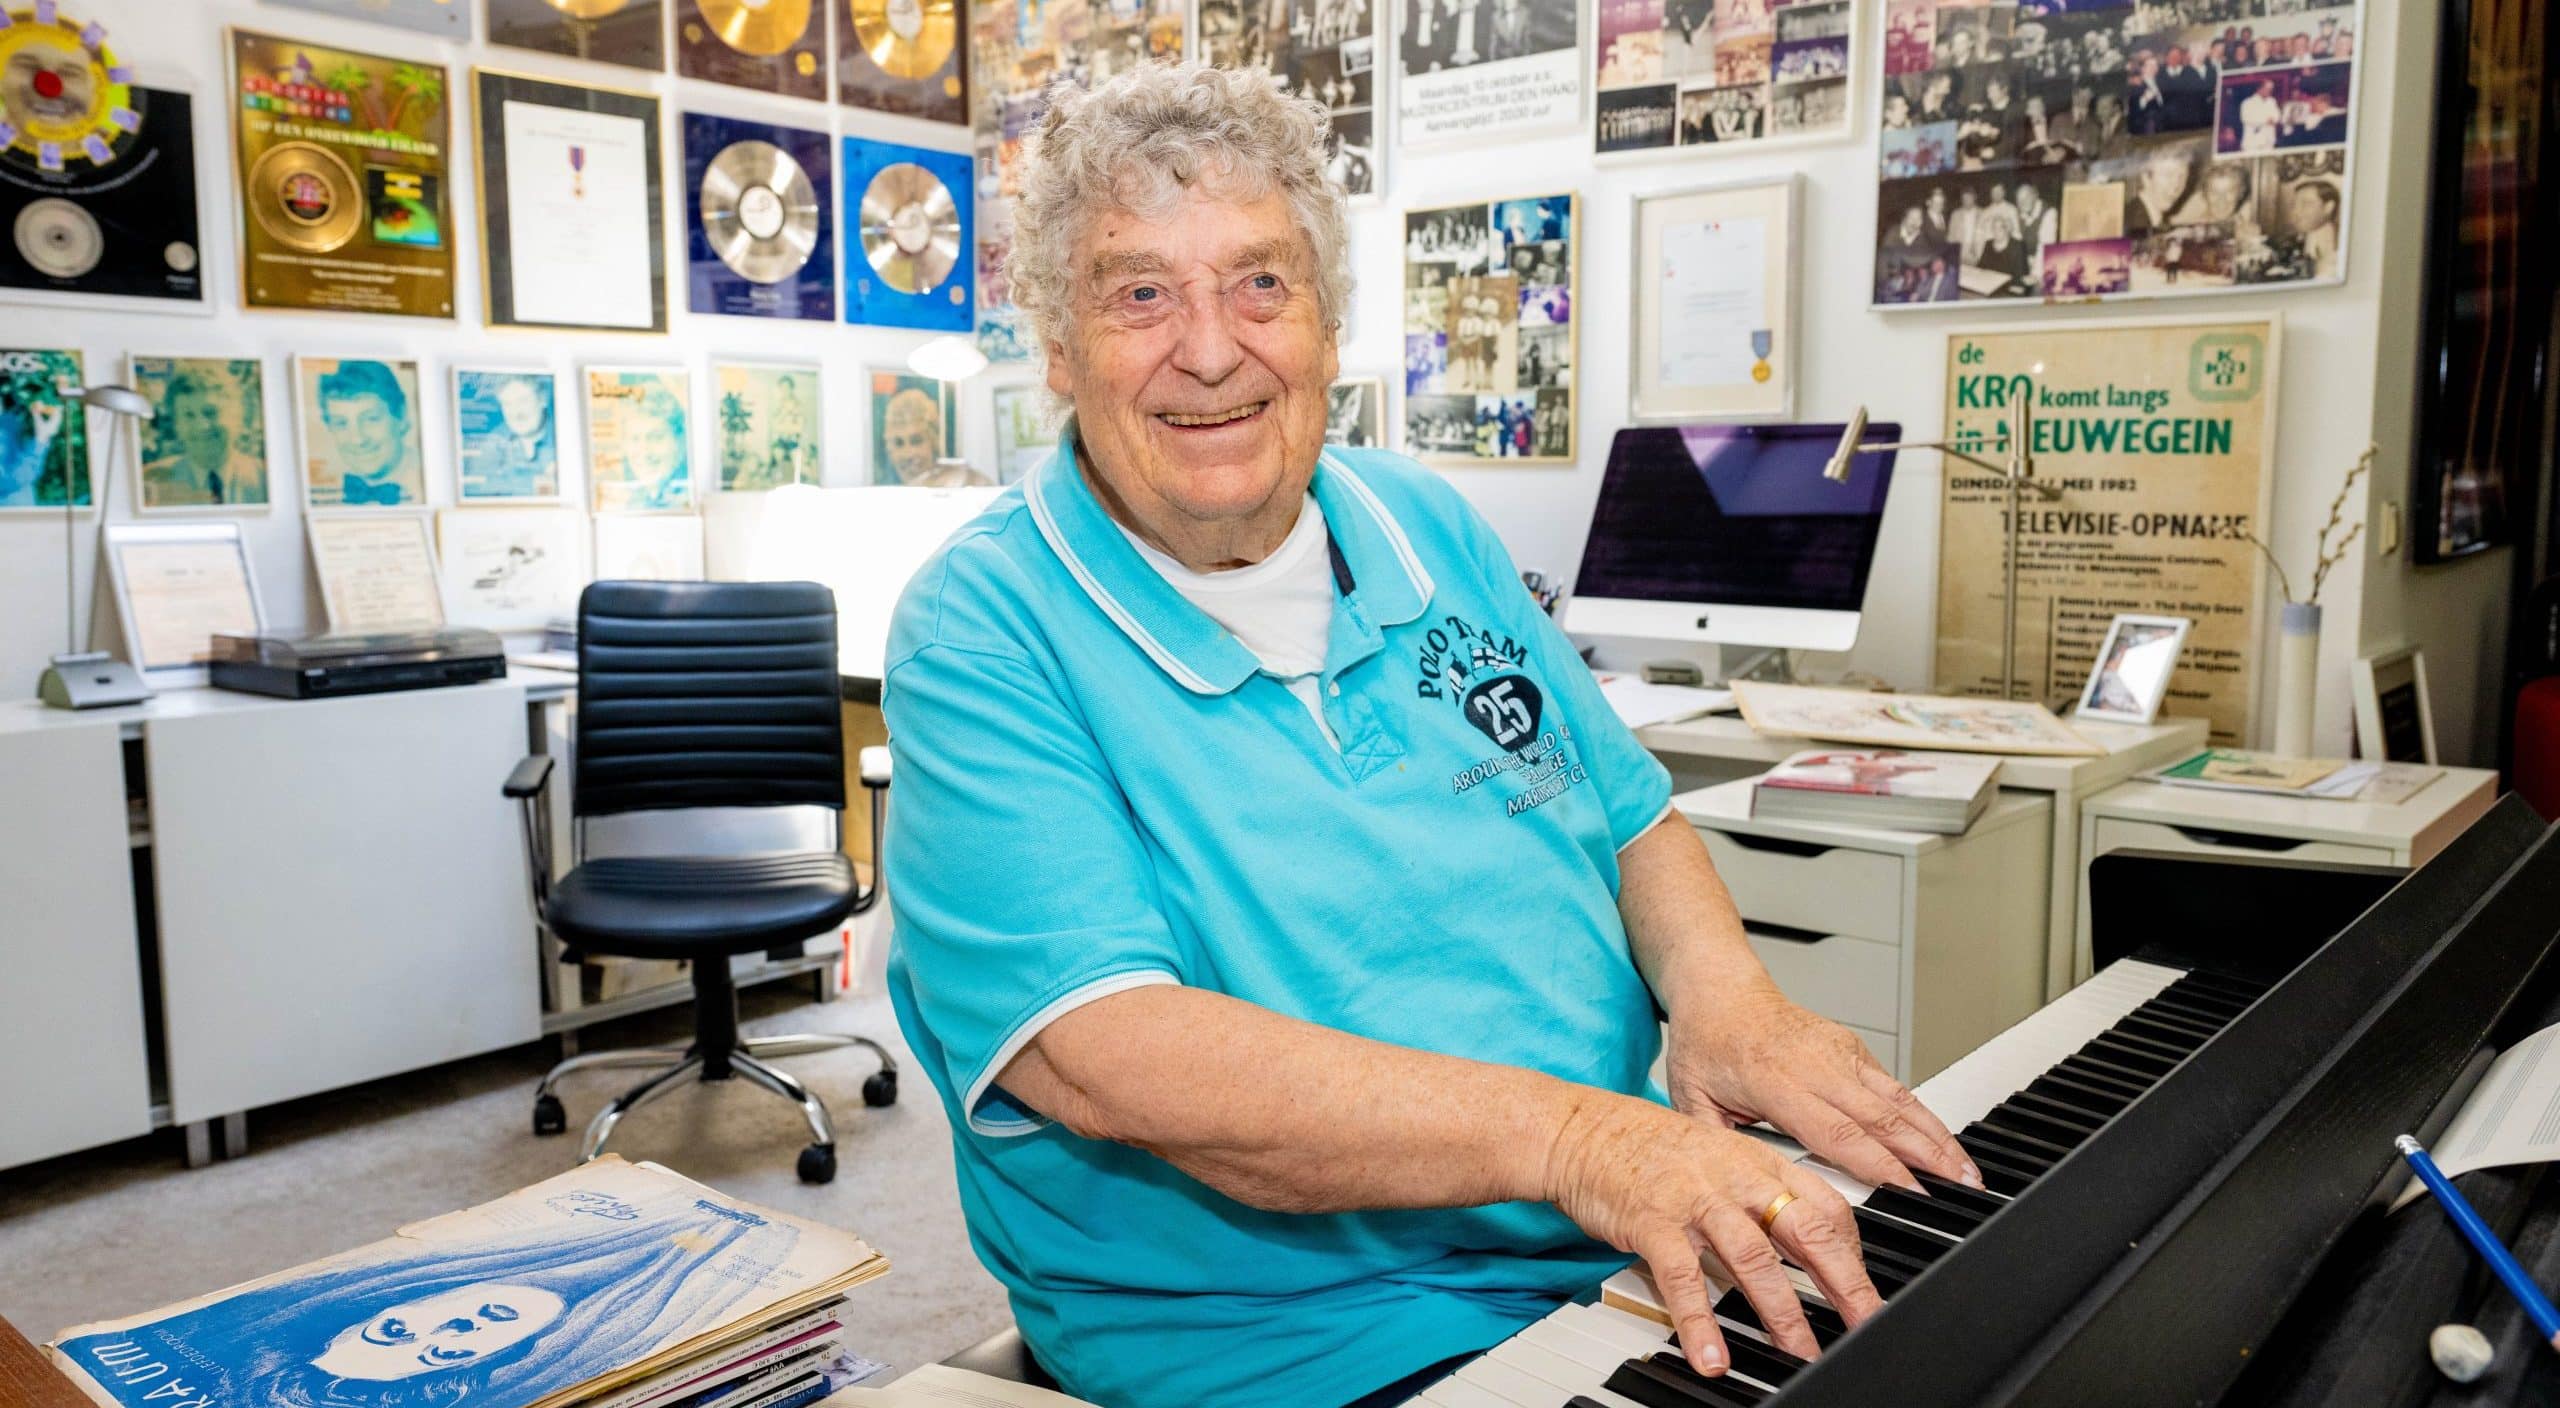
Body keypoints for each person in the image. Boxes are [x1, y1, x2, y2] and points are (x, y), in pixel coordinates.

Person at [887, 62, 1976, 1408]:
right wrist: (1585, 1144)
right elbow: (1114, 1058)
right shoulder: (983, 628)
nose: (1212, 350)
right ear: (1059, 349)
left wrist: (1728, 1000)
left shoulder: (1419, 518)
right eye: (1140, 294)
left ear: (1329, 321)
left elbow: (1630, 816)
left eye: (1262, 282)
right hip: (1302, 1338)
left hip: (1610, 1242)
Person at [143, 364, 262, 507]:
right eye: (189, 415)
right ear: (177, 425)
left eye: (210, 413)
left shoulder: (265, 480)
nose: (201, 426)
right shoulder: (151, 482)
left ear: (237, 416)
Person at [315, 360, 415, 506]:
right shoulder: (321, 490)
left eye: (371, 419)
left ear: (402, 415)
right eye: (341, 423)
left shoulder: (430, 479)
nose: (358, 440)